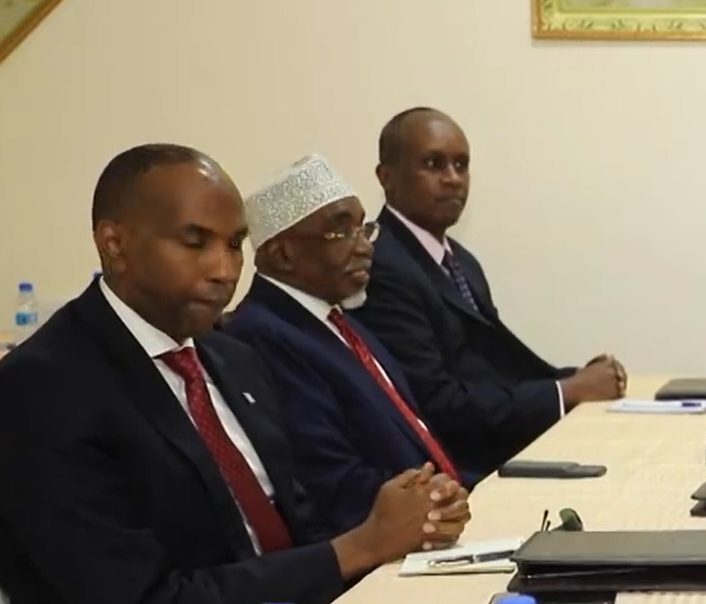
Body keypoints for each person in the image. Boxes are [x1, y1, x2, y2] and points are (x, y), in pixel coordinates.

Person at [0, 144, 467, 604]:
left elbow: (299, 527)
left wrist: (412, 518)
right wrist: (361, 545)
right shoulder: (42, 388)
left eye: (234, 244)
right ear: (115, 244)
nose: (224, 270)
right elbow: (138, 596)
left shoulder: (231, 357)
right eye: (195, 242)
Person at [351, 107, 625, 479]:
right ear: (387, 177)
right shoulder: (382, 266)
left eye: (461, 165)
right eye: (433, 164)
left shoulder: (460, 261)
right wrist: (567, 390)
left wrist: (576, 378)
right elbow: (436, 406)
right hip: (452, 475)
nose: (452, 179)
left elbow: (491, 370)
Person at [224, 154, 477, 534]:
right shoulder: (260, 335)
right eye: (340, 232)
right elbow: (325, 477)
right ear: (282, 253)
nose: (364, 248)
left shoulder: (339, 318)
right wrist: (432, 503)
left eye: (364, 229)